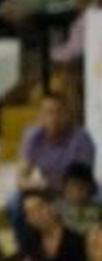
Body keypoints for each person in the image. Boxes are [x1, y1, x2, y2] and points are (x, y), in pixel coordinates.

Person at [7, 94, 96, 247]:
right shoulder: (33, 136)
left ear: (67, 115)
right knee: (14, 201)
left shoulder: (81, 138)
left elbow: (81, 183)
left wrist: (53, 193)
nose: (53, 118)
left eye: (58, 112)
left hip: (79, 192)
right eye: (48, 112)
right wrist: (42, 186)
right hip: (49, 191)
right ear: (40, 116)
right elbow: (20, 179)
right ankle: (24, 250)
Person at [58, 162, 102, 235]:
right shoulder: (56, 210)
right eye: (71, 188)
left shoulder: (98, 213)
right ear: (64, 189)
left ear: (90, 189)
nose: (76, 194)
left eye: (81, 188)